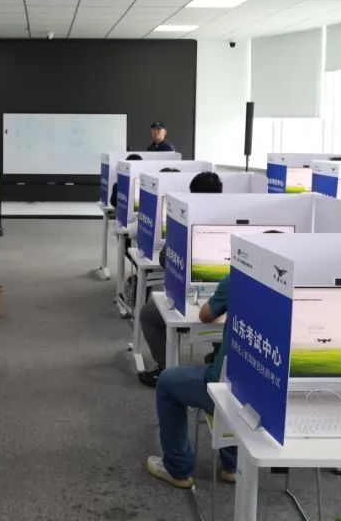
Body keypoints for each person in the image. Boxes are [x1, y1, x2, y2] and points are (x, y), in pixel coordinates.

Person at [146, 276, 236, 488]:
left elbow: (205, 315)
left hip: (223, 390)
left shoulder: (236, 279)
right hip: (272, 399)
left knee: (167, 382)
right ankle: (233, 465)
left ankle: (177, 468)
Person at [138, 171, 224, 387]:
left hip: (194, 296)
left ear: (192, 194)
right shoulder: (231, 216)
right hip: (226, 298)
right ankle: (218, 354)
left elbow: (165, 259)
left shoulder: (187, 219)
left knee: (148, 314)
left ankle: (163, 366)